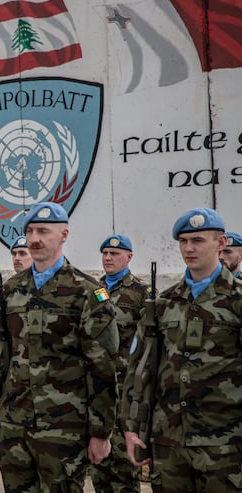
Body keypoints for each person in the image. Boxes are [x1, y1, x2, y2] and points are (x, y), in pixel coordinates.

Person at [0, 202, 119, 492]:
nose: (34, 239)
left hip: (64, 430)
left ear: (64, 235)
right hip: (15, 425)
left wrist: (100, 431)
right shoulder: (10, 291)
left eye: (43, 231)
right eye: (30, 231)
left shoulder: (87, 292)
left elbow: (103, 368)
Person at [124, 208, 242, 492]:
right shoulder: (164, 303)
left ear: (221, 243)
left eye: (198, 240)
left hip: (224, 443)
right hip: (169, 441)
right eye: (184, 241)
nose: (189, 248)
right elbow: (140, 367)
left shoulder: (237, 300)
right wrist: (131, 425)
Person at [88, 234, 147, 493]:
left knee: (123, 465)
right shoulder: (92, 290)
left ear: (129, 257)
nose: (108, 258)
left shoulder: (141, 293)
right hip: (96, 387)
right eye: (105, 254)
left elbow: (148, 343)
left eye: (115, 253)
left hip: (125, 390)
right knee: (98, 466)